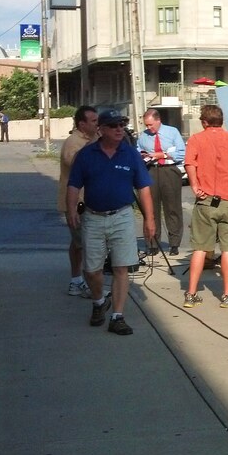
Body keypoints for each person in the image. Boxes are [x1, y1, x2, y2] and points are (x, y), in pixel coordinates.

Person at [66, 109, 155, 335]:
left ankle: (117, 316)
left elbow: (143, 187)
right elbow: (73, 185)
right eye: (114, 125)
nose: (119, 129)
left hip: (122, 216)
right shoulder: (86, 155)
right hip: (93, 217)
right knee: (91, 269)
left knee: (121, 267)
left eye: (122, 125)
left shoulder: (130, 154)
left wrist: (149, 220)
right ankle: (99, 302)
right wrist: (71, 210)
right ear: (101, 129)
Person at [182, 104, 228, 308]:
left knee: (199, 247)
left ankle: (191, 293)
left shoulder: (196, 140)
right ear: (221, 120)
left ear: (204, 122)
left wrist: (195, 185)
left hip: (206, 200)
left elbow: (189, 163)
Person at [58, 106, 99, 297]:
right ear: (82, 124)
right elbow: (76, 163)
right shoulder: (73, 142)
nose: (97, 124)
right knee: (84, 244)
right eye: (93, 121)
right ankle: (81, 282)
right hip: (77, 203)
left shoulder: (94, 139)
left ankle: (78, 280)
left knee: (80, 244)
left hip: (93, 201)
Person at [136, 108, 186, 255]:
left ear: (158, 121)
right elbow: (137, 150)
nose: (148, 128)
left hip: (169, 170)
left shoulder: (172, 132)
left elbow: (181, 152)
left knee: (172, 208)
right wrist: (143, 155)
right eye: (146, 125)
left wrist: (163, 154)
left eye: (151, 125)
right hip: (151, 170)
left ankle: (174, 243)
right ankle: (152, 243)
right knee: (151, 209)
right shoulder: (143, 136)